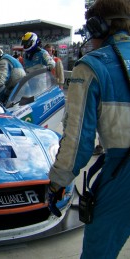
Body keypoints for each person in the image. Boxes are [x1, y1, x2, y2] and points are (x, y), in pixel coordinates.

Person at [47, 0, 130, 258]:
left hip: (124, 171)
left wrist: (57, 183)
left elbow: (78, 142)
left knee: (98, 252)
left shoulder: (92, 66)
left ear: (97, 27)